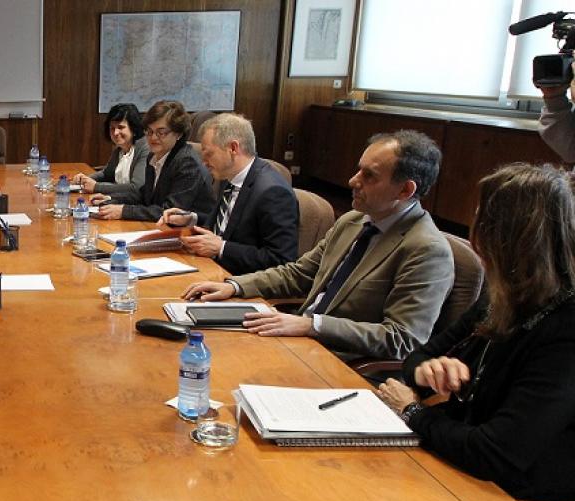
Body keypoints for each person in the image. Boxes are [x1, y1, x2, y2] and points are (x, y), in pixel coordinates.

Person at [377, 163, 575, 501]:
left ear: (509, 240)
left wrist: (412, 411)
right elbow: (418, 357)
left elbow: (495, 453)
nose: (473, 238)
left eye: (481, 222)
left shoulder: (565, 331)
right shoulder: (504, 296)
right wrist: (426, 372)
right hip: (462, 463)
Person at [183, 130, 453, 361]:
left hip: (342, 362)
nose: (353, 180)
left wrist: (312, 325)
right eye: (358, 169)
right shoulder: (353, 221)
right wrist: (235, 286)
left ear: (405, 190)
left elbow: (401, 338)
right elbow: (298, 273)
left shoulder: (426, 250)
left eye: (369, 176)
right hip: (301, 343)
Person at [160, 113, 299, 274]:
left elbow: (281, 261)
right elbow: (229, 224)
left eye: (209, 154)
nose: (204, 163)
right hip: (211, 267)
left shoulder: (273, 192)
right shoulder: (230, 175)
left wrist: (222, 248)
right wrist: (191, 218)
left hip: (240, 279)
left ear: (233, 148)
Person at [91, 100, 214, 223]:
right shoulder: (153, 156)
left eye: (161, 132)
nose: (153, 137)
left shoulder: (187, 162)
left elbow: (170, 211)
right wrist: (111, 199)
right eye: (149, 131)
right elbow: (144, 195)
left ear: (178, 134)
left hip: (191, 230)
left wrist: (123, 211)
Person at [72, 102, 149, 196]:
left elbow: (136, 188)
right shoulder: (119, 149)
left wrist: (96, 187)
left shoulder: (145, 148)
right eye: (112, 128)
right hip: (117, 199)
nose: (115, 133)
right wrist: (84, 179)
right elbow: (106, 174)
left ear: (133, 128)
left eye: (121, 127)